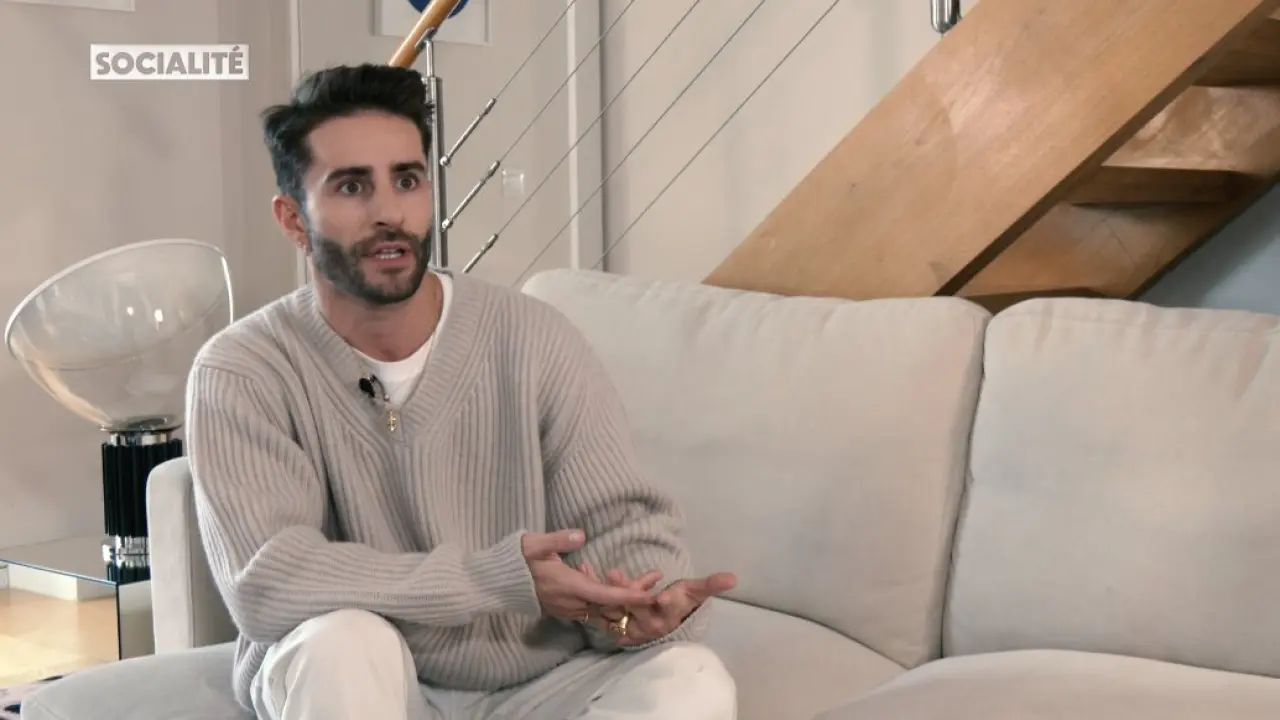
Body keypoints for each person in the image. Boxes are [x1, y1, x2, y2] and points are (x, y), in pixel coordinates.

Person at [184, 62, 739, 720]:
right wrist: (490, 578)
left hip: (537, 683)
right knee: (343, 643)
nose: (389, 213)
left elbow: (619, 523)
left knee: (693, 680)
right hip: (373, 680)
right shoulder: (243, 370)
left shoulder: (533, 337)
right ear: (293, 219)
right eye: (352, 186)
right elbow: (269, 583)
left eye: (407, 180)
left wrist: (638, 607)